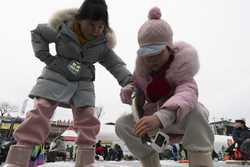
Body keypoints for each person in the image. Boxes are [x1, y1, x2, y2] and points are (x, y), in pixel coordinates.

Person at [4, 0, 132, 166]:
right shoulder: (63, 28)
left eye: (101, 26)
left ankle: (86, 160)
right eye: (91, 25)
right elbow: (38, 32)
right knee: (41, 110)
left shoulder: (101, 44)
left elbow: (115, 64)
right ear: (80, 19)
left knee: (88, 119)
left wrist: (128, 81)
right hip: (55, 74)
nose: (96, 30)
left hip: (84, 83)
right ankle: (19, 157)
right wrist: (47, 57)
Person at [116, 7, 214, 167]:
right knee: (122, 124)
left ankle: (200, 162)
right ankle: (150, 163)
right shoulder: (141, 74)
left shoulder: (183, 70)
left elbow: (186, 95)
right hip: (152, 122)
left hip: (177, 120)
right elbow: (137, 94)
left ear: (169, 48)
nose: (152, 60)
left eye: (157, 53)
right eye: (147, 56)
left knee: (197, 110)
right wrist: (130, 92)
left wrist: (160, 118)